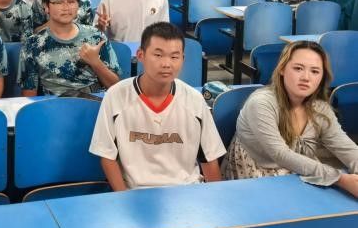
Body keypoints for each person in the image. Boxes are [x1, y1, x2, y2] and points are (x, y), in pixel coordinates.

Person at [89, 22, 225, 190]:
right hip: (135, 193)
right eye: (158, 55)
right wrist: (122, 196)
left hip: (186, 191)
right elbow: (107, 156)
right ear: (140, 55)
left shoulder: (194, 100)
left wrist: (214, 198)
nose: (166, 64)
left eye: (174, 57)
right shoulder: (116, 96)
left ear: (183, 59)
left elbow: (209, 158)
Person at [222, 41, 358, 196]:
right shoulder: (261, 103)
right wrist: (340, 179)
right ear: (282, 69)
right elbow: (281, 155)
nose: (306, 77)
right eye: (298, 68)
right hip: (255, 176)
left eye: (315, 71)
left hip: (301, 171)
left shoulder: (320, 108)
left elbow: (345, 147)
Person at [19, 0, 120, 96]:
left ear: (78, 5)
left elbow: (116, 87)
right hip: (54, 103)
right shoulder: (33, 44)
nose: (66, 7)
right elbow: (29, 95)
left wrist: (95, 62)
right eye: (58, 2)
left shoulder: (96, 36)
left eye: (71, 1)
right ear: (46, 7)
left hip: (93, 100)